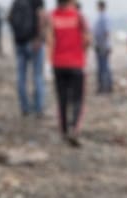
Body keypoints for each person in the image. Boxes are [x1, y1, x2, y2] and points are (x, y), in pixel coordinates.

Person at [45, 0, 89, 145]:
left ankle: (63, 130)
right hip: (76, 63)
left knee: (62, 98)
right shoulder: (79, 16)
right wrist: (81, 50)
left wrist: (48, 63)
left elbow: (50, 40)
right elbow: (87, 39)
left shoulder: (52, 16)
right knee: (77, 99)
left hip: (59, 63)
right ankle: (74, 128)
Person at [7, 0, 46, 116]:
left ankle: (25, 107)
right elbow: (42, 17)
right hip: (34, 42)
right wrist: (39, 38)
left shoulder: (16, 2)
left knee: (21, 77)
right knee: (38, 76)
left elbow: (9, 17)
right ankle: (38, 108)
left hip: (19, 42)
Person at [92, 0, 111, 93]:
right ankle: (104, 86)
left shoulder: (104, 17)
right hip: (101, 44)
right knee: (102, 66)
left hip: (102, 45)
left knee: (103, 67)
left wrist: (102, 44)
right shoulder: (100, 17)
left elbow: (106, 32)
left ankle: (105, 87)